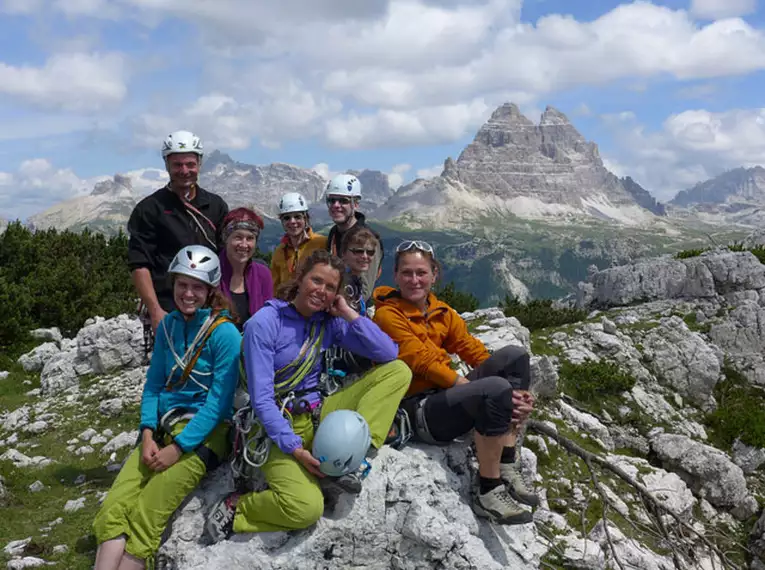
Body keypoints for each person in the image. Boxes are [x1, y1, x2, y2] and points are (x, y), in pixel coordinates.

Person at [205, 250, 411, 542]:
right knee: (306, 509)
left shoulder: (328, 321)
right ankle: (238, 506)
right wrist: (296, 449)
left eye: (330, 287)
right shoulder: (265, 323)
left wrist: (348, 312)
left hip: (317, 412)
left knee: (398, 372)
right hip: (275, 425)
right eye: (316, 281)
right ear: (300, 278)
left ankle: (358, 456)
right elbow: (262, 399)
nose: (321, 291)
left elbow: (388, 352)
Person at [93, 245, 241, 570]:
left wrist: (179, 448)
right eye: (182, 285)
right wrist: (147, 434)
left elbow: (218, 402)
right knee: (113, 509)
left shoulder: (225, 333)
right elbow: (154, 385)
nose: (188, 293)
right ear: (172, 285)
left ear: (210, 290)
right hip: (162, 428)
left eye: (197, 286)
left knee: (147, 512)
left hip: (205, 435)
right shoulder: (169, 327)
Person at [372, 240, 538, 525]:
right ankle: (488, 490)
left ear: (434, 275)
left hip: (445, 397)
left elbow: (470, 347)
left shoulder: (441, 312)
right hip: (419, 410)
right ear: (396, 276)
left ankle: (507, 460)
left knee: (515, 357)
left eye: (421, 273)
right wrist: (475, 386)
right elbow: (420, 361)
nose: (415, 280)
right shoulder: (389, 315)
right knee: (496, 390)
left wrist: (516, 393)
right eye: (407, 273)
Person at [127, 130, 229, 346]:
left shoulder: (216, 206)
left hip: (209, 309)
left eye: (190, 164)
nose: (184, 171)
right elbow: (139, 264)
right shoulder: (150, 209)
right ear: (167, 165)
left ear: (199, 164)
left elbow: (225, 258)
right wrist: (155, 311)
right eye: (177, 165)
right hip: (168, 308)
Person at [324, 174, 383, 295]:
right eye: (331, 200)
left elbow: (364, 291)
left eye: (343, 201)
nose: (336, 205)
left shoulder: (369, 238)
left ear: (355, 204)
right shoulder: (334, 233)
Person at [218, 207, 273, 328]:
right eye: (238, 237)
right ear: (226, 238)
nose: (244, 244)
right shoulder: (212, 273)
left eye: (250, 238)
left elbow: (268, 320)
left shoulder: (263, 274)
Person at [270, 192, 327, 291]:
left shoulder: (322, 243)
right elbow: (274, 288)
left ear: (306, 218)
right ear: (282, 222)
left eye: (297, 216)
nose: (292, 221)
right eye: (287, 218)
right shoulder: (279, 252)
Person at [338, 224, 379, 314]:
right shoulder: (343, 285)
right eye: (358, 251)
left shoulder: (355, 280)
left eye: (370, 252)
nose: (365, 256)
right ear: (343, 254)